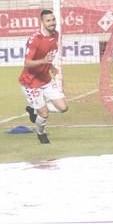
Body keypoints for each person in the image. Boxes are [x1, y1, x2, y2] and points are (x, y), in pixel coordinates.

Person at [20, 9, 69, 144]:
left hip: (45, 79)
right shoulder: (35, 39)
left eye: (53, 20)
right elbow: (27, 62)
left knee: (64, 108)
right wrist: (43, 62)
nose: (52, 23)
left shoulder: (56, 35)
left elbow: (49, 54)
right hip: (31, 82)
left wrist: (51, 66)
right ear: (42, 22)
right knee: (44, 114)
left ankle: (34, 109)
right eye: (48, 20)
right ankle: (41, 133)